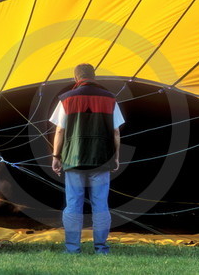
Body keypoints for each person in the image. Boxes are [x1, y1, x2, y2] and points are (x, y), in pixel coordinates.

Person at [49, 63, 124, 254]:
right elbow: (115, 132)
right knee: (101, 205)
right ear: (94, 76)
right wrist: (116, 157)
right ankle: (101, 248)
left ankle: (72, 248)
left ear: (76, 78)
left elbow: (59, 130)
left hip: (73, 160)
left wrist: (56, 156)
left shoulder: (65, 99)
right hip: (101, 159)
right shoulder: (110, 99)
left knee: (73, 204)